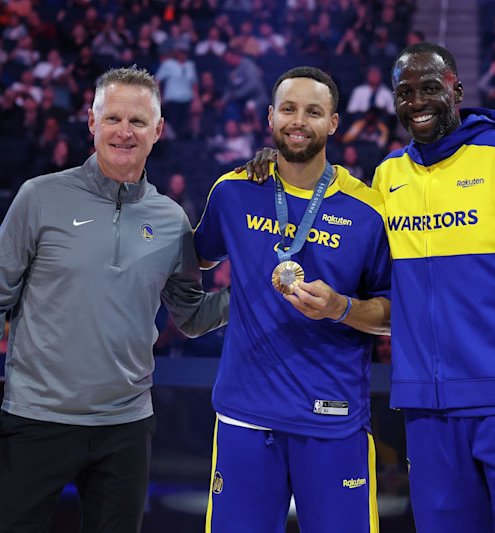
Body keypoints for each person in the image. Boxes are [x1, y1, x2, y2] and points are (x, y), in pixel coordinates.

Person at [243, 42, 495, 532]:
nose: (417, 102)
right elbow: (336, 222)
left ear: (457, 90)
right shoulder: (389, 176)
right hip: (427, 412)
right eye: (405, 92)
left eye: (430, 88)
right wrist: (277, 161)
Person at [0, 66, 230, 532]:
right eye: (113, 118)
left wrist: (251, 295)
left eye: (138, 121)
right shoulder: (39, 197)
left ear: (158, 130)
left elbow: (192, 317)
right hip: (37, 418)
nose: (125, 131)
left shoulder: (170, 218)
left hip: (125, 426)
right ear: (92, 122)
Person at [195, 66, 391, 532]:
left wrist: (341, 308)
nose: (298, 121)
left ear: (333, 123)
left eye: (313, 112)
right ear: (270, 117)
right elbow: (196, 259)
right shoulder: (233, 191)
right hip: (245, 415)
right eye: (288, 109)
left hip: (332, 418)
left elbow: (394, 313)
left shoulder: (368, 210)